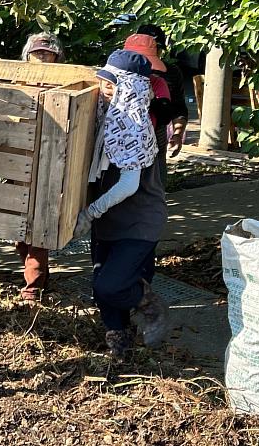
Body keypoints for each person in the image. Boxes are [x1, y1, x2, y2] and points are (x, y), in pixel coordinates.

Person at [73, 50, 169, 361]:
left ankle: (147, 302)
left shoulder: (134, 125)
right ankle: (121, 347)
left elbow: (128, 185)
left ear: (131, 88)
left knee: (110, 286)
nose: (105, 89)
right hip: (109, 221)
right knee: (102, 287)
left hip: (137, 222)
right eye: (103, 81)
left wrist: (90, 212)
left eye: (113, 85)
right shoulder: (106, 117)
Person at [14, 32, 65, 301]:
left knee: (38, 227)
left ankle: (33, 287)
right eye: (37, 53)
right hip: (19, 166)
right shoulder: (19, 82)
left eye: (47, 52)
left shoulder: (67, 83)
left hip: (50, 167)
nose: (42, 57)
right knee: (19, 231)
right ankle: (38, 276)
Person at [129, 24, 189, 184]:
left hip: (157, 136)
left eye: (157, 48)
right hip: (124, 138)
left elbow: (178, 107)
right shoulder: (122, 69)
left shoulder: (171, 72)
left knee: (155, 186)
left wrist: (177, 134)